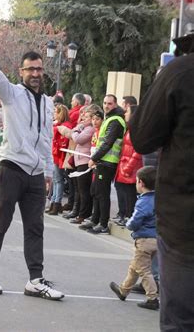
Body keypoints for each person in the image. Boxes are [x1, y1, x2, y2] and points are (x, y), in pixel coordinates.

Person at [0, 23, 63, 300]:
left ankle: (35, 280)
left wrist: (48, 170)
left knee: (35, 227)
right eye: (31, 69)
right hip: (12, 167)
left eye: (39, 69)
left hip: (36, 174)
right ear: (21, 72)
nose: (36, 74)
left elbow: (47, 137)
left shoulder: (48, 102)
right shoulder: (11, 93)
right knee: (1, 221)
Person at [129, 33, 194, 331]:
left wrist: (158, 85)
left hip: (185, 224)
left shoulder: (180, 72)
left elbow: (143, 137)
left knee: (180, 319)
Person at [110, 166, 159, 310]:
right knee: (135, 267)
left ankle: (152, 297)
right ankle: (123, 290)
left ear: (141, 183)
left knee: (144, 270)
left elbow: (136, 219)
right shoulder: (159, 199)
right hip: (157, 239)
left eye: (137, 181)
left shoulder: (143, 202)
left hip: (144, 240)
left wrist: (129, 224)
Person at [79, 94, 126, 234]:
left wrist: (94, 158)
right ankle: (95, 219)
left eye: (110, 103)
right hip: (102, 161)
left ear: (115, 105)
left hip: (108, 162)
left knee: (102, 194)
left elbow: (108, 143)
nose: (106, 106)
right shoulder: (110, 118)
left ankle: (103, 224)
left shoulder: (116, 120)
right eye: (105, 103)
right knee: (96, 191)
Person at [113, 105, 142, 226]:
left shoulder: (136, 130)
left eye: (127, 112)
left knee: (129, 193)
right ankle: (123, 214)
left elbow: (137, 151)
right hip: (124, 164)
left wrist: (129, 167)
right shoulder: (130, 128)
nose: (125, 114)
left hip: (130, 166)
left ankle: (129, 216)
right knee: (121, 188)